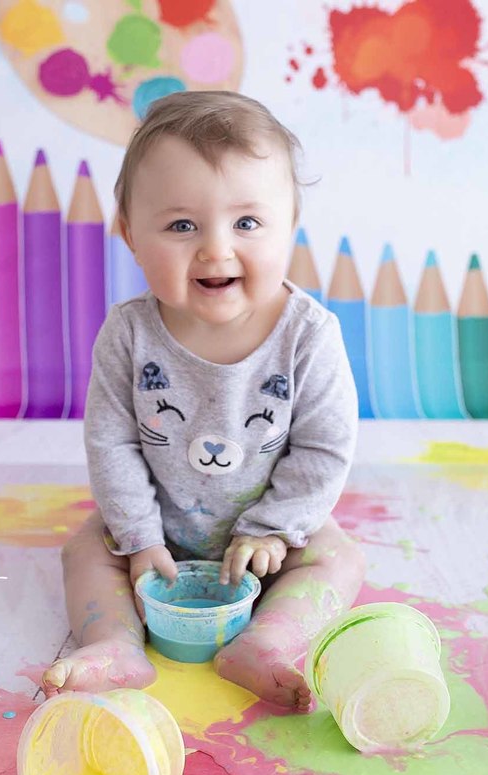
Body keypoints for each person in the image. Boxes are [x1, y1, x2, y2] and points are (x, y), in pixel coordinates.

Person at [41, 90, 364, 711]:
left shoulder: (308, 335)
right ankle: (115, 645)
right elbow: (112, 443)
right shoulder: (129, 333)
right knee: (84, 552)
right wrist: (138, 539)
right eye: (182, 225)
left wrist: (274, 531)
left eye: (247, 223)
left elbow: (323, 449)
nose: (216, 249)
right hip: (154, 529)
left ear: (289, 227)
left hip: (269, 537)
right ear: (130, 234)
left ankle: (267, 642)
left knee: (340, 559)